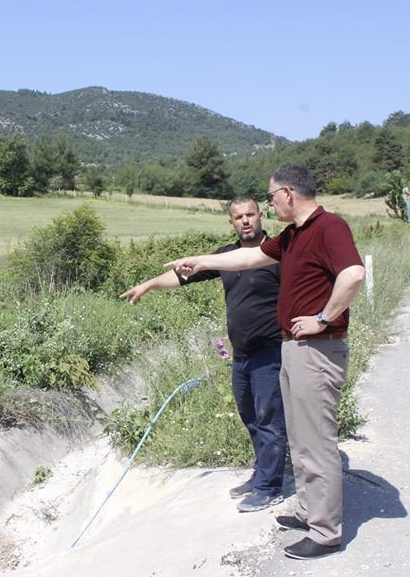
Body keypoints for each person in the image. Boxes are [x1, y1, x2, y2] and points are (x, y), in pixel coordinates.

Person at [166, 163, 365, 561]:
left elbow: (354, 275)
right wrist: (200, 261)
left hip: (318, 348)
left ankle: (325, 532)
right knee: (300, 437)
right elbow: (246, 259)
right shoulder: (293, 236)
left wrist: (323, 318)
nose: (270, 203)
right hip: (293, 347)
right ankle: (309, 511)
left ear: (288, 193)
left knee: (317, 441)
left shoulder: (329, 227)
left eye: (271, 196)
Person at [120, 195, 287, 513]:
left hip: (271, 351)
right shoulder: (225, 256)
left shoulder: (274, 254)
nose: (246, 221)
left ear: (261, 215)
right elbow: (185, 275)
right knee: (250, 418)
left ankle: (270, 486)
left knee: (269, 419)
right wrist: (150, 284)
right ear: (231, 222)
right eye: (239, 217)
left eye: (250, 214)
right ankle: (262, 473)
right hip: (242, 354)